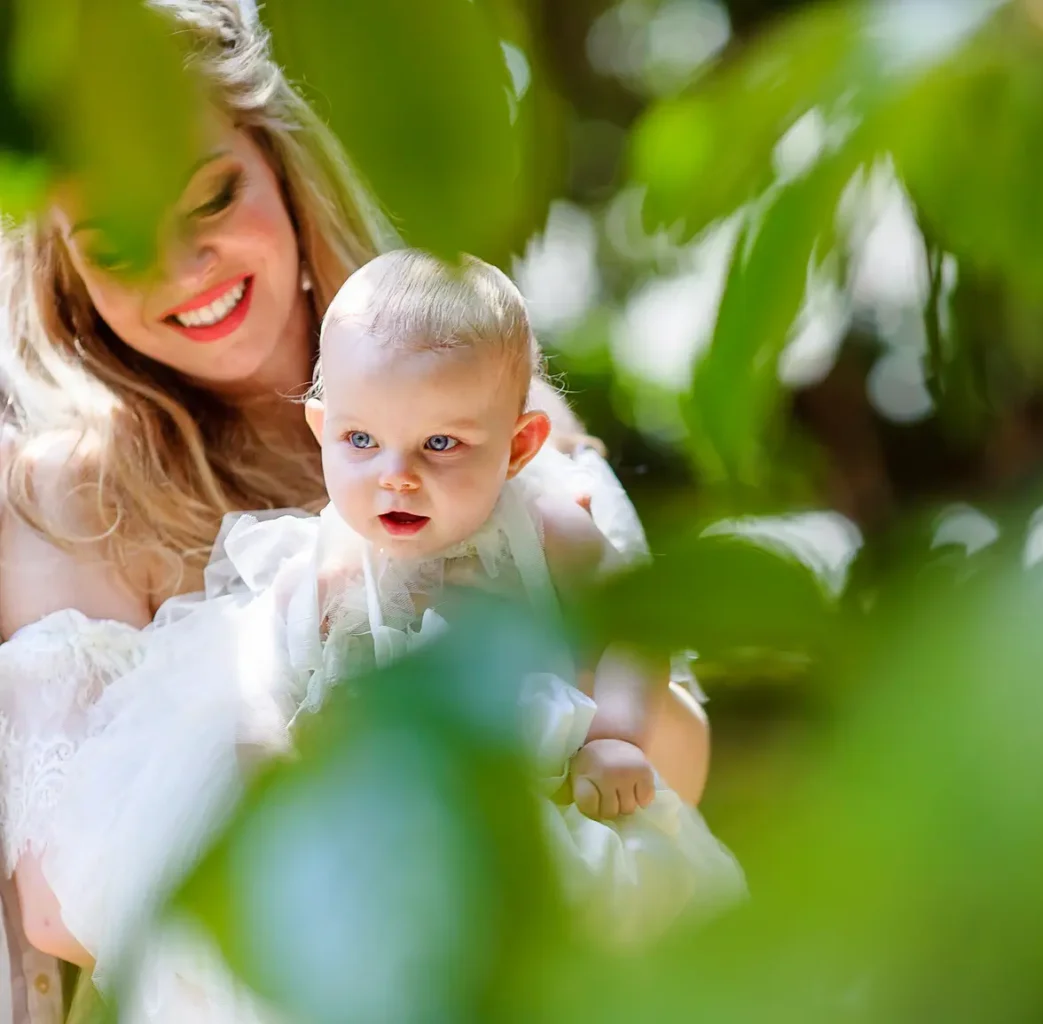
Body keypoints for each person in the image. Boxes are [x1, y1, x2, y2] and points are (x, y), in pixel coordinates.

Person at [0, 0, 709, 1015]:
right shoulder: (71, 500)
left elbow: (672, 764)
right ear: (69, 279)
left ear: (280, 169)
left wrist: (601, 748)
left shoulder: (497, 412)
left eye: (210, 197)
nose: (183, 266)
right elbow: (60, 901)